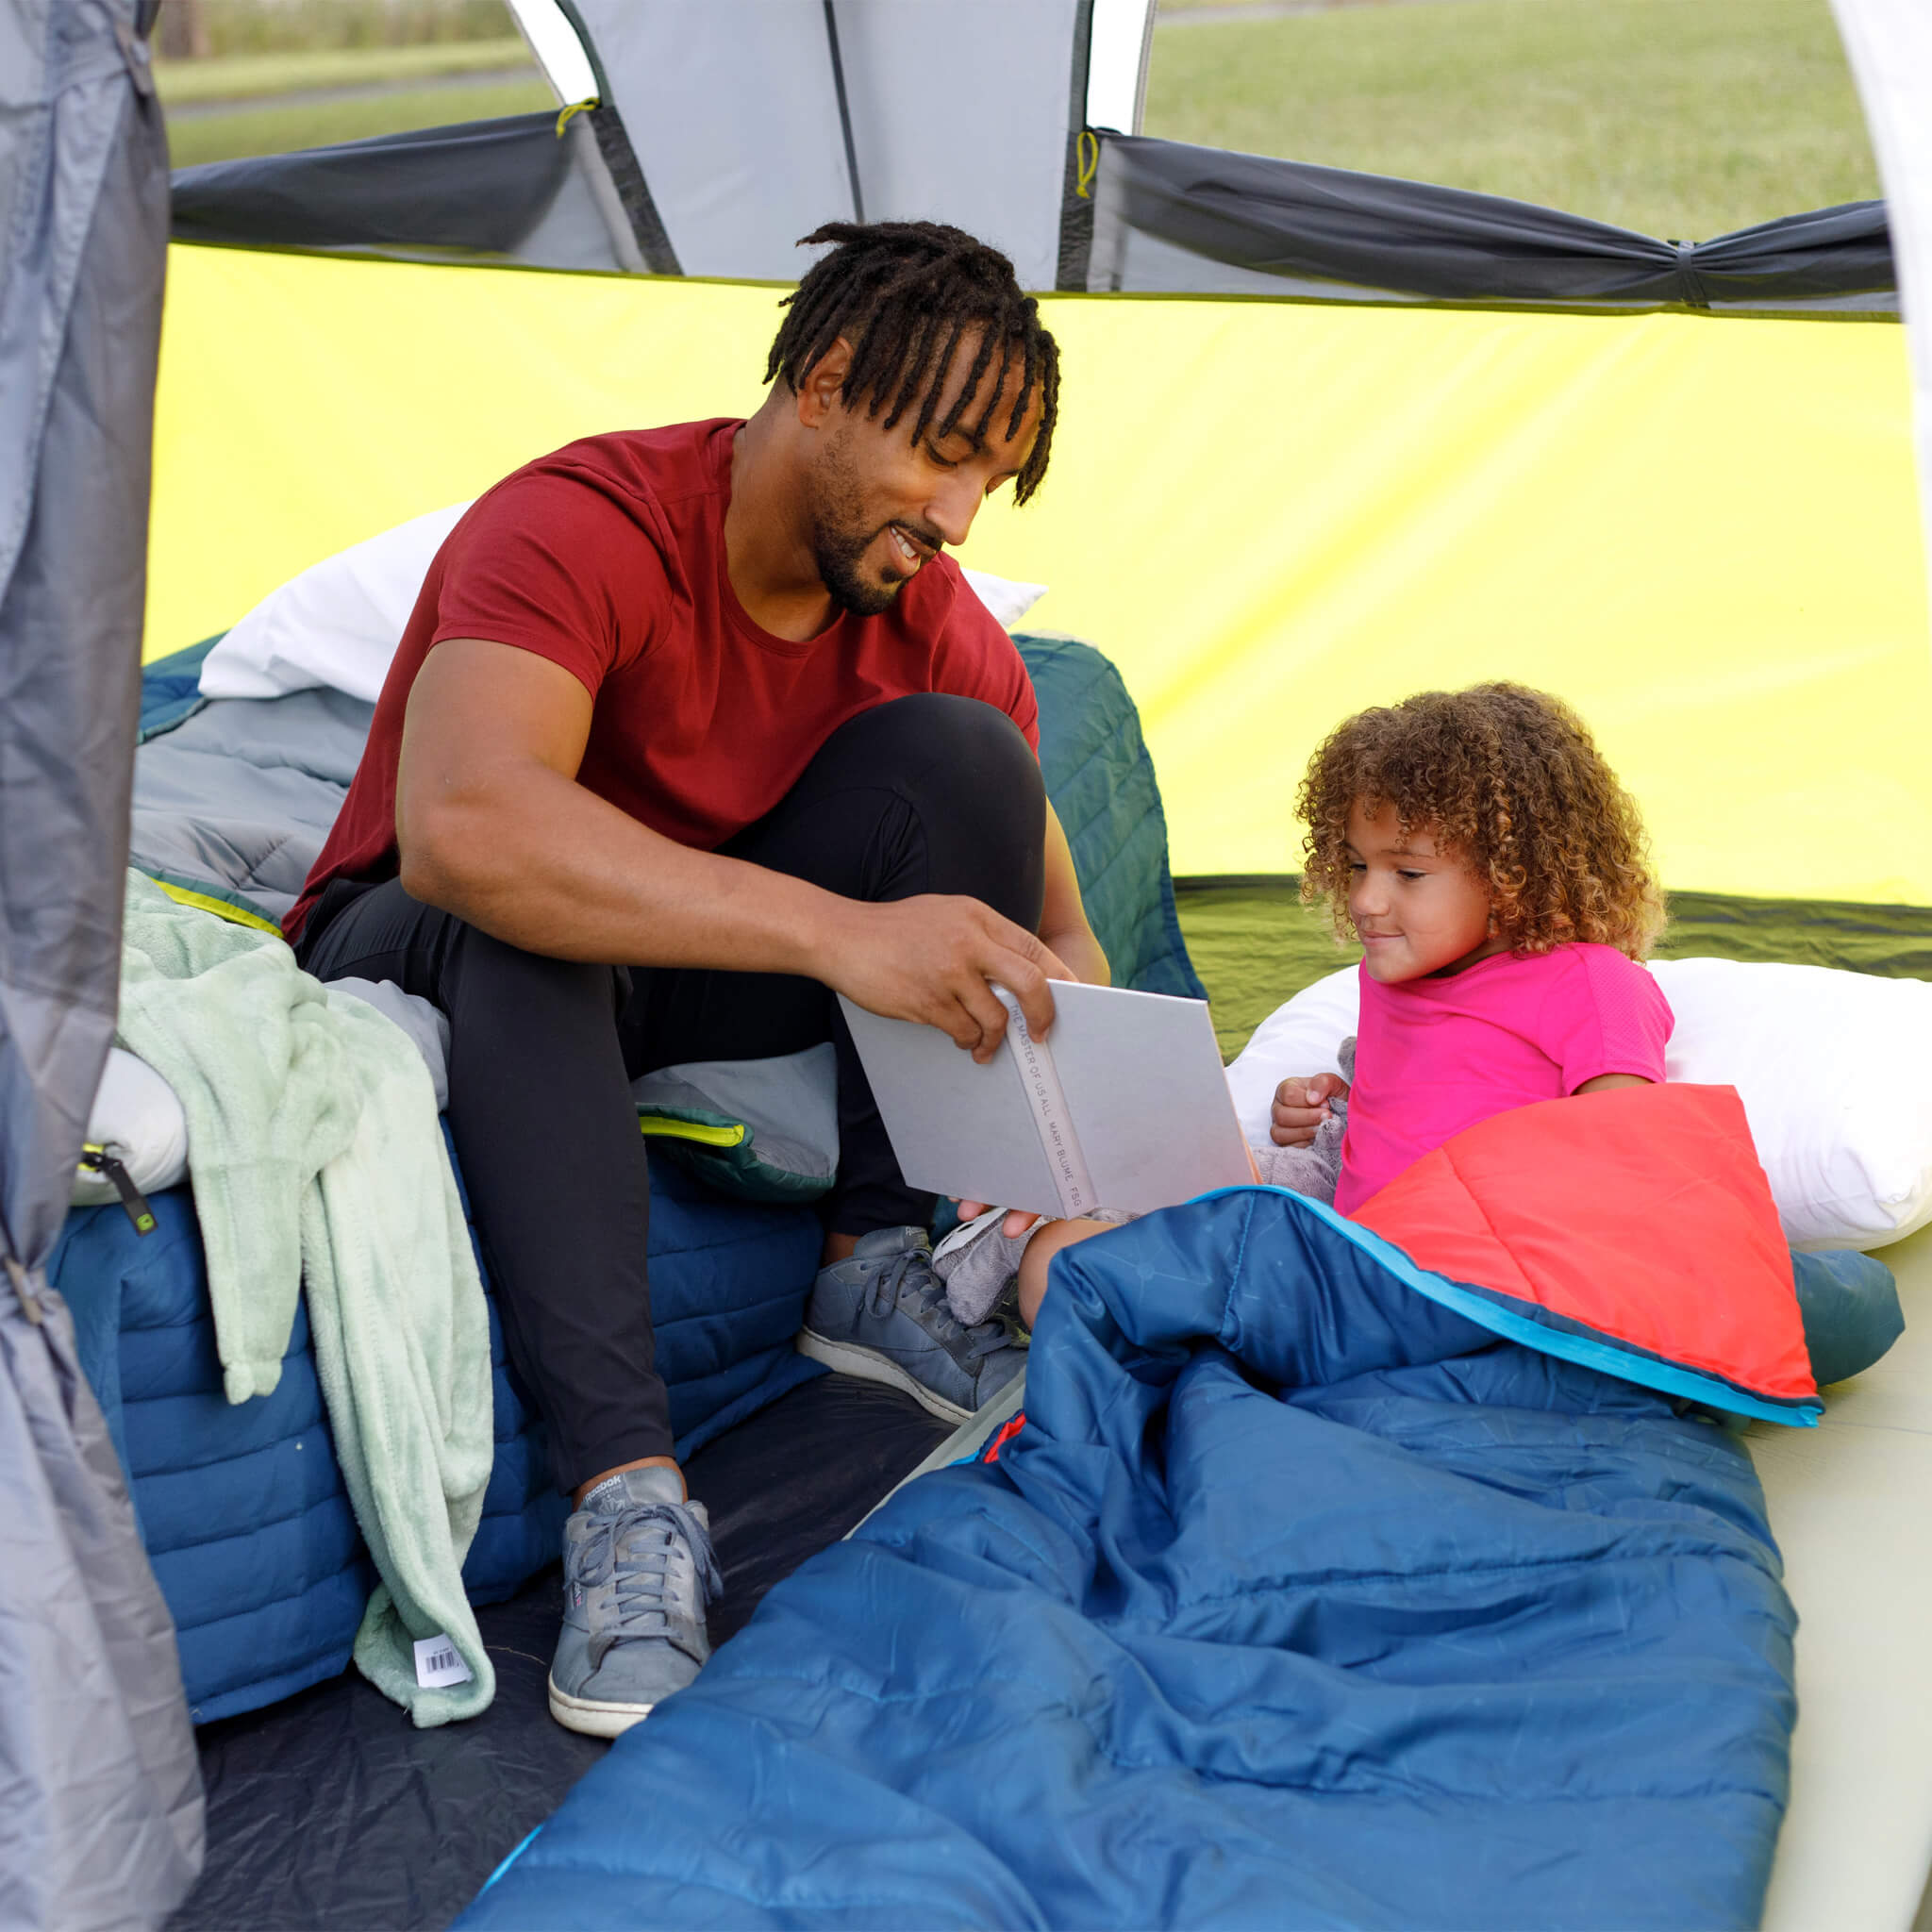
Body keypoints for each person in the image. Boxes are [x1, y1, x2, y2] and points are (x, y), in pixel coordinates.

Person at [283, 220, 1109, 1737]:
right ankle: (624, 1498)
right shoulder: (587, 523)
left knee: (970, 757)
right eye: (942, 456)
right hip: (439, 943)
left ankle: (872, 1259)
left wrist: (1085, 1168)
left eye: (990, 481)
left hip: (692, 974)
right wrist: (840, 935)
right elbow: (464, 833)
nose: (958, 518)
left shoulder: (932, 624)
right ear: (827, 381)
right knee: (534, 913)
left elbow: (1057, 937)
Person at [956, 683, 1671, 1328]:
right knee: (1057, 1260)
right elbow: (1424, 1103)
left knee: (1074, 1279)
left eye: (1408, 873)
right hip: (1339, 1254)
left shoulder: (1594, 982)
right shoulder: (1393, 977)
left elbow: (1623, 1153)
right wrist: (1335, 1115)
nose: (1366, 899)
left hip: (1458, 1287)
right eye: (1356, 864)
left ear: (1517, 872)